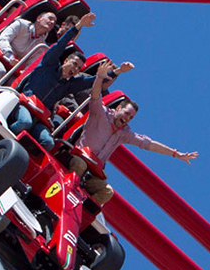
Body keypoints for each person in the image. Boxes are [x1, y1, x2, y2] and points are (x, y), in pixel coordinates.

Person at [68, 62, 196, 209]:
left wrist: (175, 153)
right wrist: (99, 78)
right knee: (80, 165)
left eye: (131, 118)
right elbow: (95, 95)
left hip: (91, 172)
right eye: (127, 113)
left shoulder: (124, 134)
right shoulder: (101, 113)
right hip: (78, 158)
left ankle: (80, 211)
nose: (127, 119)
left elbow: (149, 144)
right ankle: (67, 197)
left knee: (107, 191)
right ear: (118, 109)